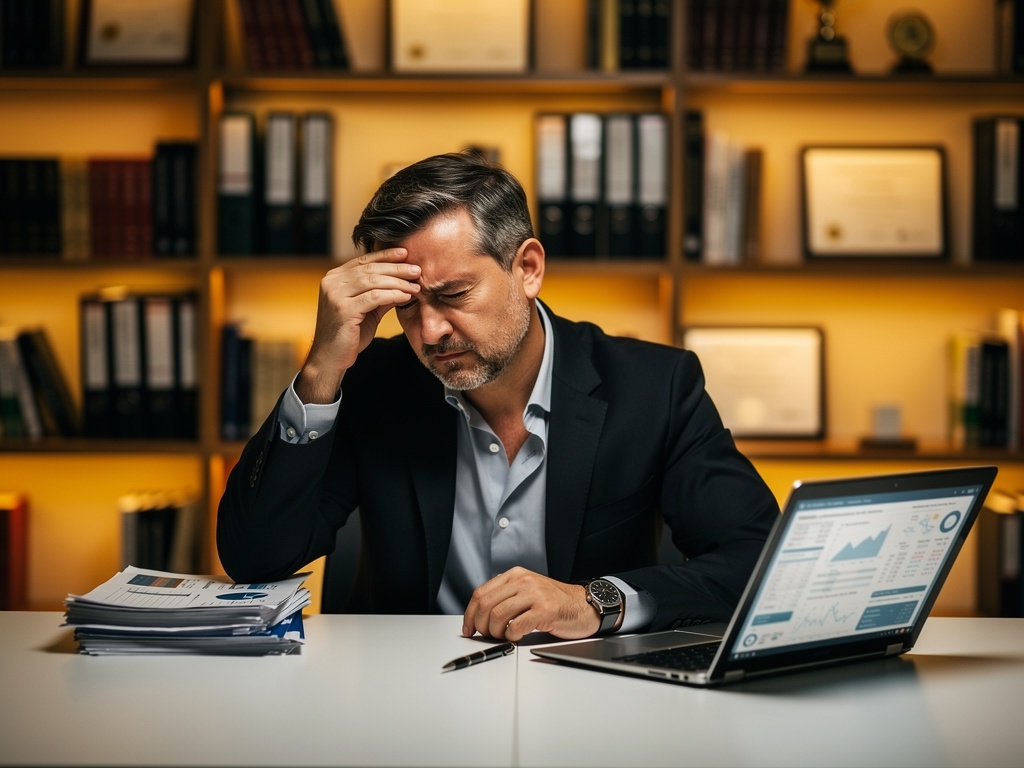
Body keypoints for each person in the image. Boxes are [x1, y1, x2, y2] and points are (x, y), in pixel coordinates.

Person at [217, 151, 780, 643]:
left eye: (454, 294)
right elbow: (255, 559)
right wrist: (321, 367)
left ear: (528, 268)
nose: (430, 331)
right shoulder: (371, 383)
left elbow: (757, 563)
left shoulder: (654, 387)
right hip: (404, 688)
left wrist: (594, 602)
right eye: (406, 306)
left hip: (591, 687)